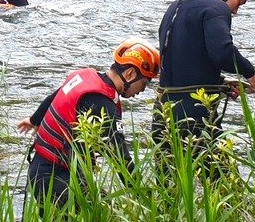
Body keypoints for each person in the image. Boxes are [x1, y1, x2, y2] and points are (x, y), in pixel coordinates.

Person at [17, 38, 160, 211]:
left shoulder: (84, 76)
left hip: (41, 169)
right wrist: (145, 197)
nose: (142, 90)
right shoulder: (103, 104)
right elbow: (121, 159)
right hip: (54, 179)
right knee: (107, 212)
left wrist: (33, 120)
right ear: (130, 74)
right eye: (144, 83)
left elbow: (53, 97)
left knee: (104, 202)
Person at [152, 0, 255, 142]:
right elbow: (223, 52)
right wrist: (250, 74)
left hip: (163, 111)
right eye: (240, 2)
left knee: (170, 169)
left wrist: (219, 82)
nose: (235, 11)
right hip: (194, 113)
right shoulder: (215, 7)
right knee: (218, 169)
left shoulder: (176, 6)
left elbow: (184, 58)